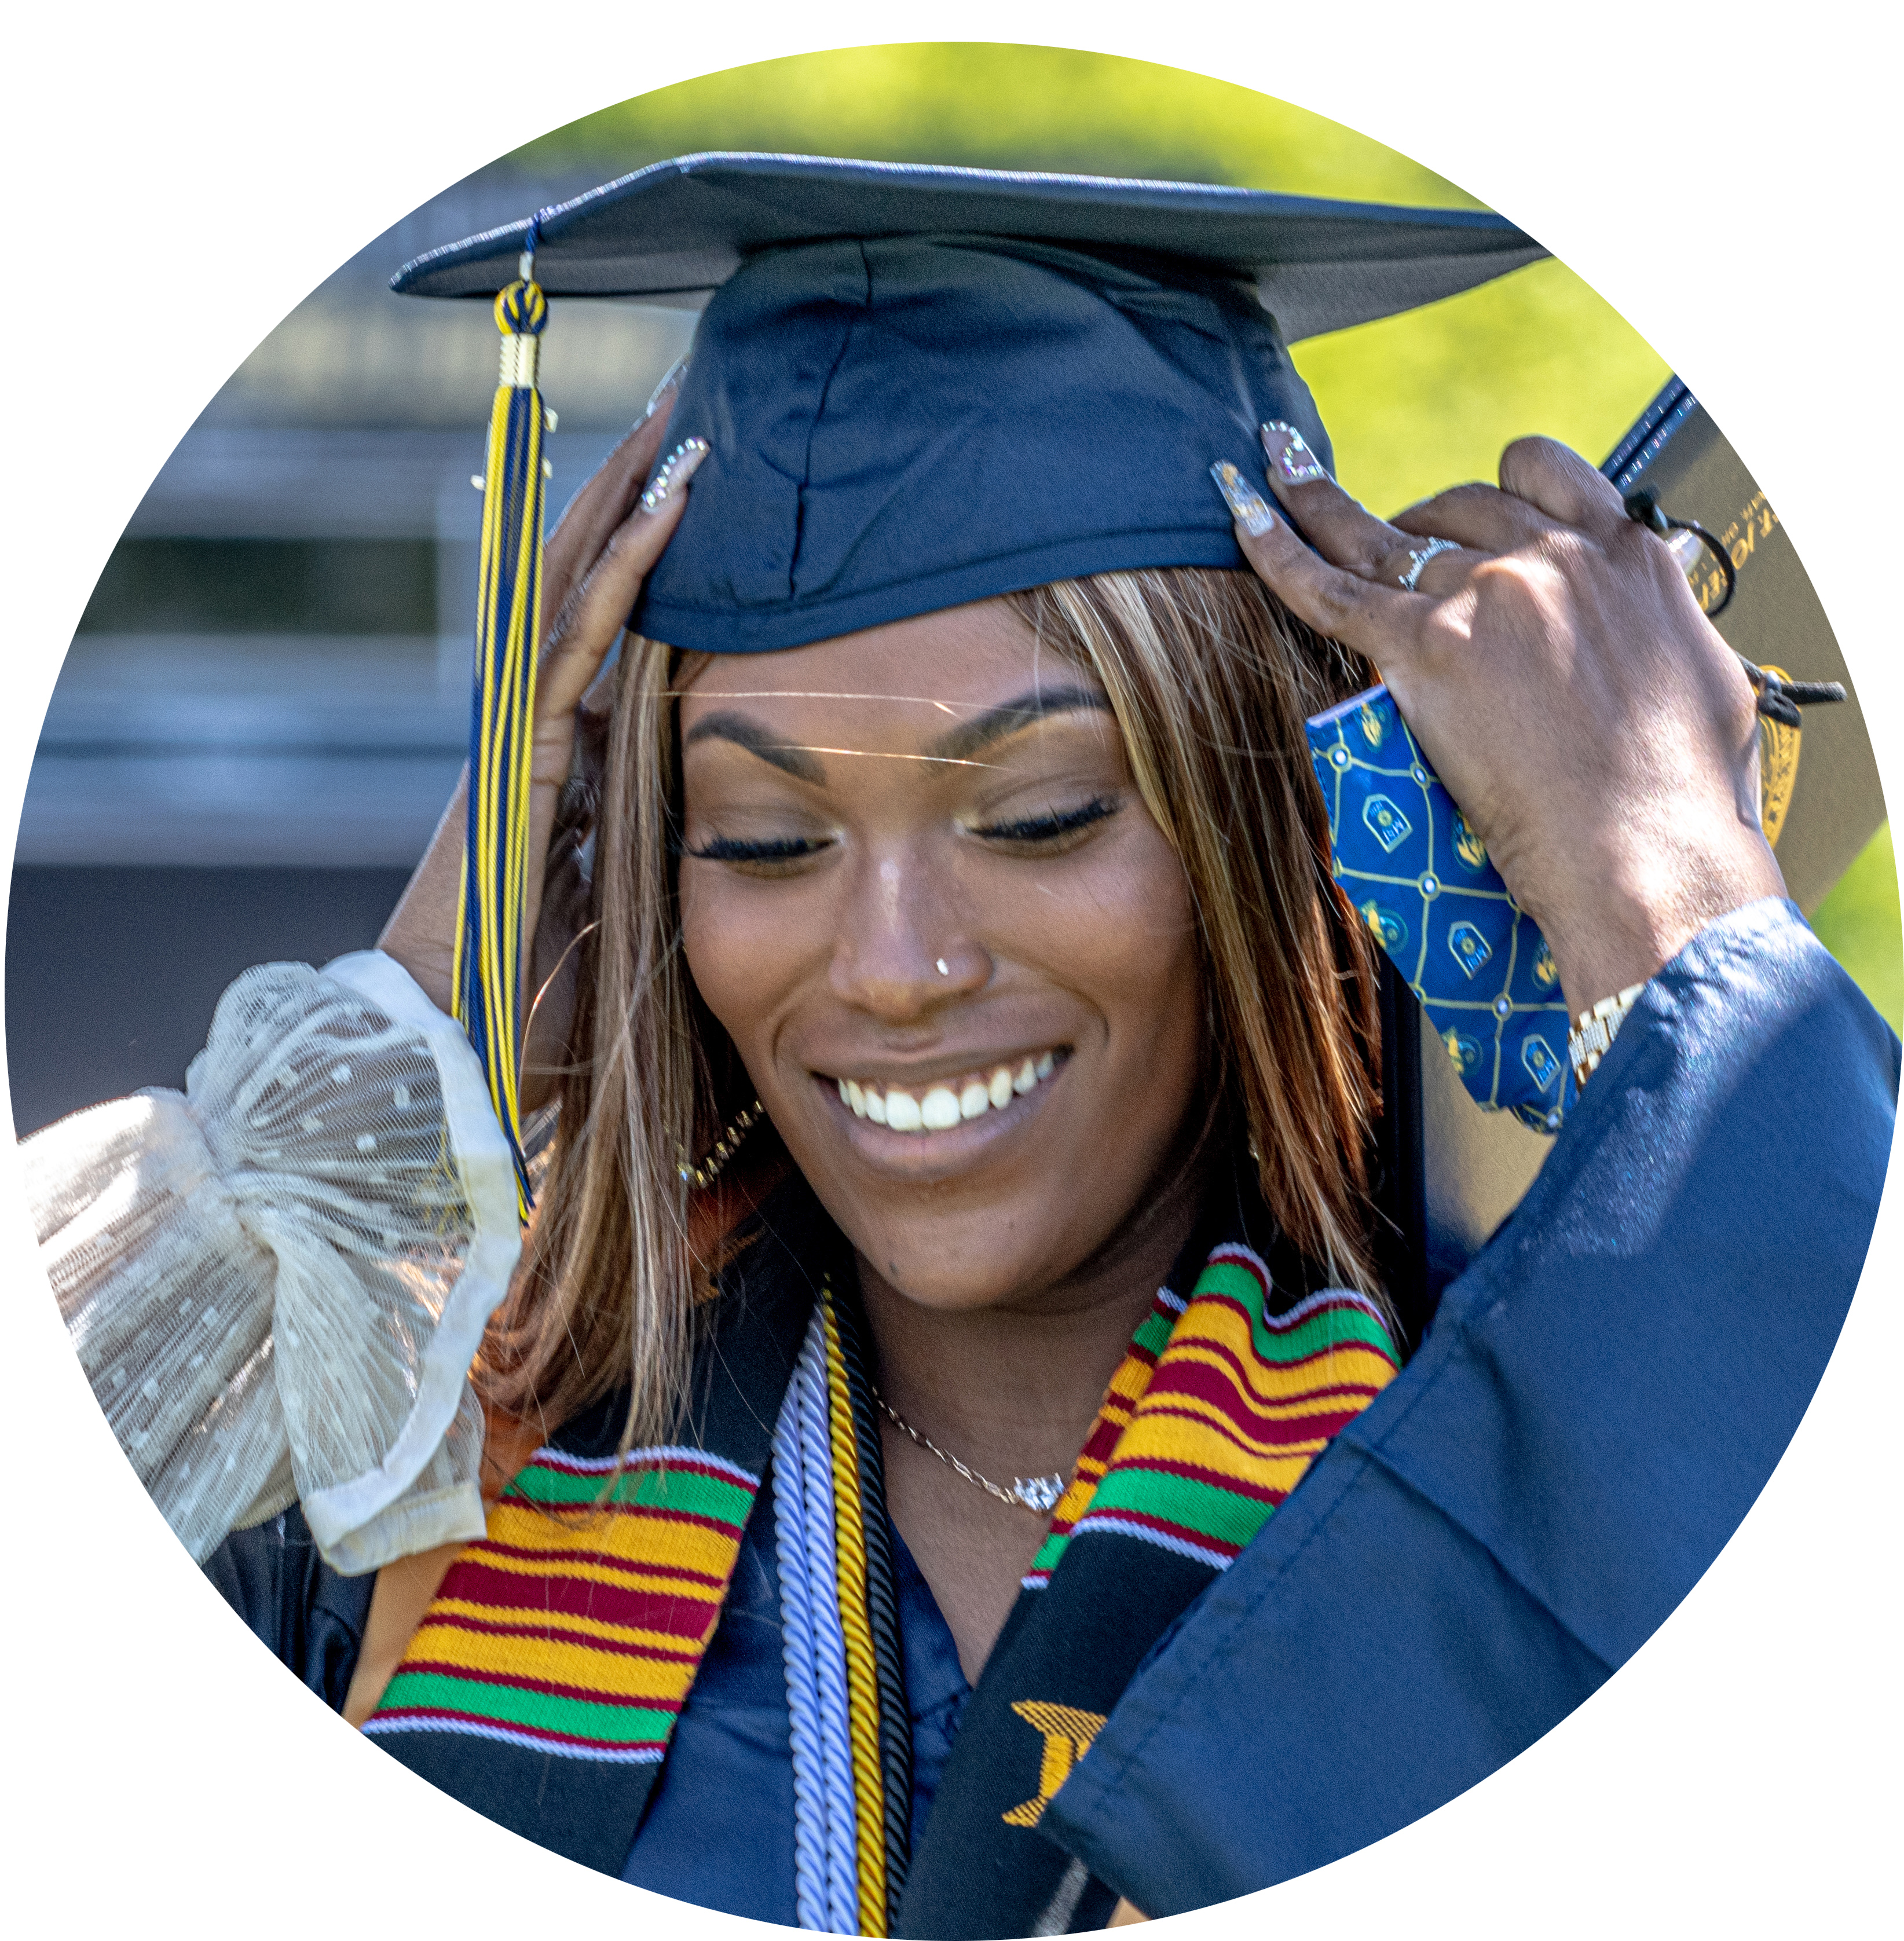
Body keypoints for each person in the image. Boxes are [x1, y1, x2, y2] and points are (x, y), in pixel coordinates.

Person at [30, 156, 1895, 1935]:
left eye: (1043, 816)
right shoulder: (422, 1505)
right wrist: (438, 960)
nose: (898, 967)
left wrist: (1670, 907)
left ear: (1265, 834)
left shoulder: (1550, 1470)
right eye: (763, 840)